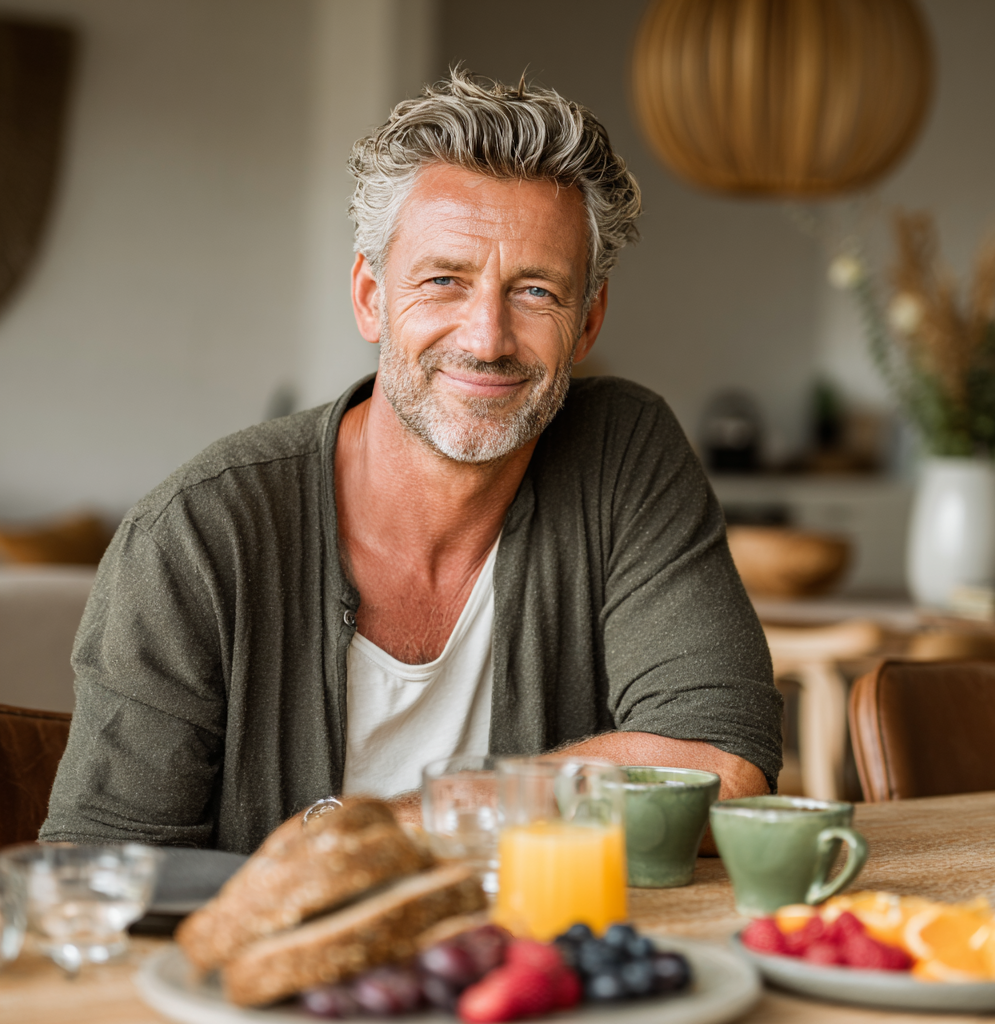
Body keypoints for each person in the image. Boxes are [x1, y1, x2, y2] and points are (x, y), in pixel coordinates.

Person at [42, 71, 782, 855]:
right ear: (371, 298)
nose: (487, 337)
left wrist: (385, 829)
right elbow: (100, 876)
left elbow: (720, 768)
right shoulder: (195, 534)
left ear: (588, 321)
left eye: (535, 291)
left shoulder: (622, 454)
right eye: (444, 281)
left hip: (549, 969)